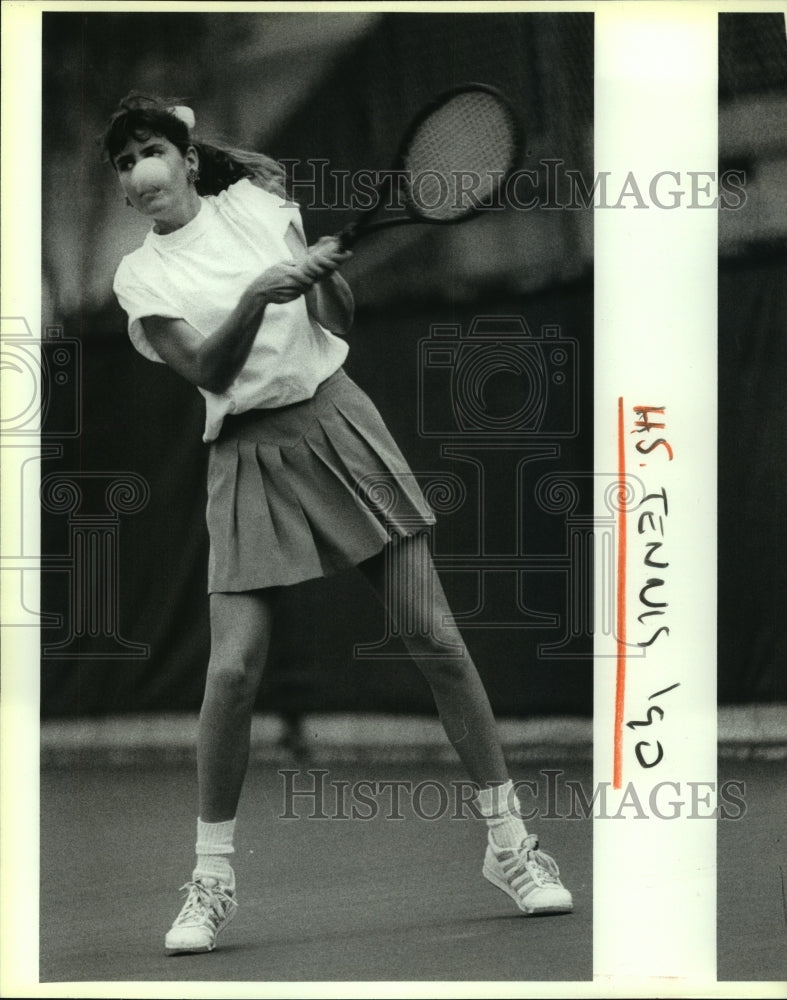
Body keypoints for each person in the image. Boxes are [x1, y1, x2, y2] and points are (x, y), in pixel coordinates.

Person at [103, 93, 573, 955]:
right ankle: (212, 878)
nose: (140, 172)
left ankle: (511, 845)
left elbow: (338, 320)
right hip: (245, 453)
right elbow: (208, 370)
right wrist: (260, 294)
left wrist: (319, 276)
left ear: (188, 158)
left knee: (435, 639)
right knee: (232, 673)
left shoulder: (260, 206)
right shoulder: (140, 278)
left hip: (336, 423)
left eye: (151, 150)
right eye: (125, 163)